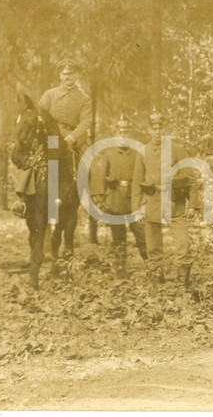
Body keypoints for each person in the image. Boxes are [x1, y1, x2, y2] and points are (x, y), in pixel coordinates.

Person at [11, 59, 93, 218]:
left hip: (73, 136)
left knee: (91, 162)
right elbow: (38, 114)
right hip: (50, 136)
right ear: (60, 76)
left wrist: (73, 137)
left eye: (71, 73)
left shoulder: (84, 99)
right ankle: (23, 200)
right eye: (64, 73)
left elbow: (86, 122)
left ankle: (92, 200)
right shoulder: (50, 94)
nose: (67, 76)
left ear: (76, 75)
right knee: (32, 159)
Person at [132, 109, 200, 287]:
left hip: (174, 200)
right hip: (152, 200)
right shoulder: (143, 152)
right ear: (149, 130)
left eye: (160, 128)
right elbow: (137, 182)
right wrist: (137, 209)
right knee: (153, 244)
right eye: (154, 129)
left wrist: (193, 204)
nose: (157, 132)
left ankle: (182, 279)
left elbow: (191, 177)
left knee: (182, 242)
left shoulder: (176, 150)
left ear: (165, 129)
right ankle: (157, 273)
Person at [90, 115, 148, 274]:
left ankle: (153, 268)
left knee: (142, 236)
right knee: (118, 238)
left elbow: (145, 176)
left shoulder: (137, 153)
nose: (124, 135)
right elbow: (101, 177)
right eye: (121, 131)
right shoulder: (109, 153)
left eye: (127, 131)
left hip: (133, 201)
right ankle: (121, 270)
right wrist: (101, 199)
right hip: (115, 201)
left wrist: (144, 198)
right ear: (116, 133)